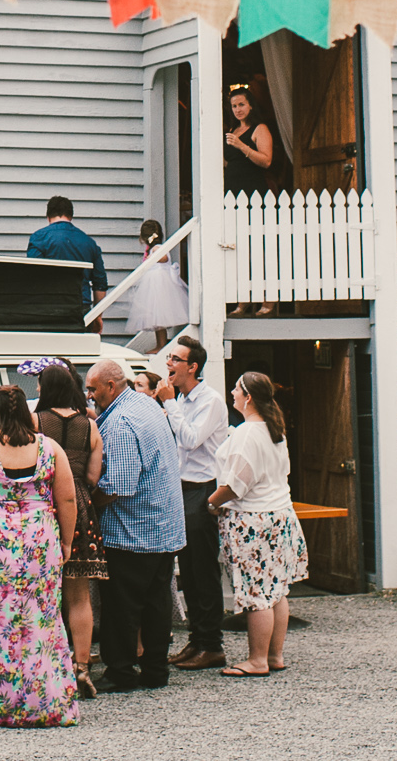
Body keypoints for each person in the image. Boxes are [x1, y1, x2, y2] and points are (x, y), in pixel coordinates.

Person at [0, 386, 80, 728]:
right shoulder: (50, 448)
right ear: (26, 412)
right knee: (42, 622)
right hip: (39, 544)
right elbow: (66, 500)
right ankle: (47, 704)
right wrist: (66, 541)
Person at [83, 359, 184, 693]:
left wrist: (86, 506)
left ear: (111, 386)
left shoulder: (123, 423)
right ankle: (156, 670)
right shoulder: (144, 404)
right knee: (157, 603)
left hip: (132, 530)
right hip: (164, 525)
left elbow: (119, 485)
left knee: (122, 608)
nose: (90, 395)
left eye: (93, 389)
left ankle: (121, 672)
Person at [206, 371, 308, 678]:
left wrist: (211, 502)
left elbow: (236, 484)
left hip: (253, 520)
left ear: (248, 397)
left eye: (237, 390)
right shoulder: (274, 429)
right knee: (277, 590)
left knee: (256, 593)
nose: (233, 394)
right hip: (280, 515)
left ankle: (257, 660)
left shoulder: (247, 433)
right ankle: (274, 656)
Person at [25, 358, 106, 698]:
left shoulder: (35, 421)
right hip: (82, 507)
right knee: (78, 595)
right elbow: (91, 476)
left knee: (41, 593)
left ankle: (44, 666)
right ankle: (82, 666)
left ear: (45, 388)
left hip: (44, 507)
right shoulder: (90, 426)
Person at [152, 335, 228, 671]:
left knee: (203, 569)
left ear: (192, 366)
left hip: (203, 487)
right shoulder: (179, 399)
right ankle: (196, 640)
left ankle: (212, 644)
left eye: (174, 359)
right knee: (188, 569)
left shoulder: (209, 400)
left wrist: (168, 405)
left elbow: (192, 440)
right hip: (179, 487)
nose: (168, 364)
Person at [27, 195, 108, 315]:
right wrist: (97, 316)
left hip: (47, 307)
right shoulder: (89, 242)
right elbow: (100, 284)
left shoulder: (39, 238)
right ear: (71, 216)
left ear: (48, 217)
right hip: (80, 308)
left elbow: (32, 276)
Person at [125, 220, 190, 355]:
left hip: (159, 285)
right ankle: (160, 344)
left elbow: (163, 257)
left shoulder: (157, 249)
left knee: (159, 317)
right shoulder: (152, 249)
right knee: (157, 319)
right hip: (155, 284)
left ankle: (161, 345)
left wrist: (152, 259)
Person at [223, 87, 276, 197]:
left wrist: (242, 146)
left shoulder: (260, 128)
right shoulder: (232, 130)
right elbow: (230, 162)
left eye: (241, 104)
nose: (238, 110)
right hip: (231, 189)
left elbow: (266, 162)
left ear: (251, 105)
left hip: (252, 188)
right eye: (234, 106)